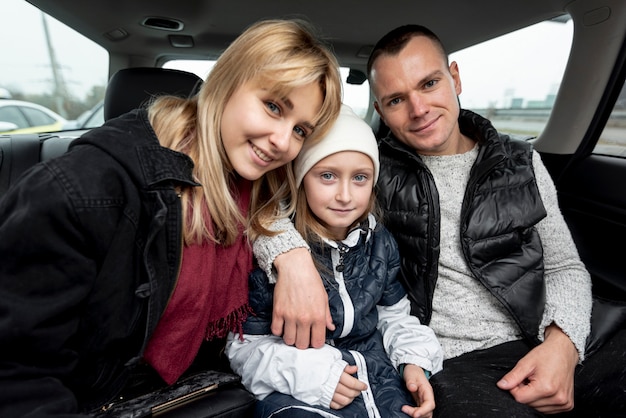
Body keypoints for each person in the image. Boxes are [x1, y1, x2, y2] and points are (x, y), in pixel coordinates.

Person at [252, 24, 626, 417]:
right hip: (459, 360)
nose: (419, 110)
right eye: (396, 100)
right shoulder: (368, 170)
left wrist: (562, 345)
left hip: (548, 334)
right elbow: (271, 201)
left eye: (429, 83)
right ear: (379, 111)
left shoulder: (520, 160)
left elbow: (566, 265)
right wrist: (291, 258)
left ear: (455, 77)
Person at [0, 18, 342, 416]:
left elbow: (270, 213)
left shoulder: (254, 194)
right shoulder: (89, 190)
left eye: (301, 130)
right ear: (226, 84)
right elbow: (17, 374)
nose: (283, 142)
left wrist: (293, 255)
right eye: (272, 106)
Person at [227, 104, 443, 418]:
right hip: (300, 392)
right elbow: (245, 350)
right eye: (327, 176)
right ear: (301, 179)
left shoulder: (380, 243)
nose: (345, 195)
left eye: (360, 178)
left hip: (379, 384)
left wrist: (414, 363)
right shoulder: (272, 255)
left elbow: (395, 319)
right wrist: (313, 374)